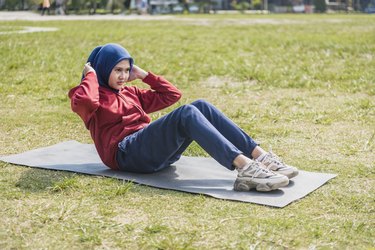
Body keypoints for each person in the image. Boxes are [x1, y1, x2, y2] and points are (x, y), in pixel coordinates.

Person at [68, 43, 298, 192]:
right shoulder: (89, 96)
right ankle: (245, 168)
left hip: (148, 149)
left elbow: (172, 95)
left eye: (127, 70)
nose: (123, 76)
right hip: (126, 154)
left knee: (200, 106)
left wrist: (145, 75)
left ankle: (261, 157)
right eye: (117, 70)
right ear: (101, 69)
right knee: (186, 113)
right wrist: (91, 76)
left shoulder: (129, 91)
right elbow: (86, 102)